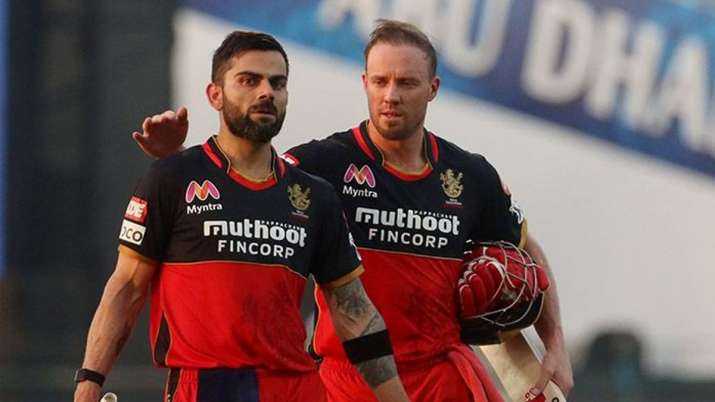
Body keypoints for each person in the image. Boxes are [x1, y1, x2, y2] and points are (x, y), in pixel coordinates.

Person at [134, 20, 574, 402]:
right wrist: (175, 159)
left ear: (433, 89)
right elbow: (239, 194)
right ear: (364, 82)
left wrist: (555, 347)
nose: (390, 95)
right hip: (349, 380)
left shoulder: (470, 175)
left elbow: (524, 250)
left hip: (443, 376)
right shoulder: (322, 165)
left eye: (406, 83)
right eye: (380, 81)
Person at [74, 31, 411, 402]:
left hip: (295, 389)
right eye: (249, 81)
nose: (266, 92)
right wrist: (89, 382)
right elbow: (127, 287)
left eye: (277, 83)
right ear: (215, 95)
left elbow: (355, 312)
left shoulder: (315, 196)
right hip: (207, 388)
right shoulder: (172, 177)